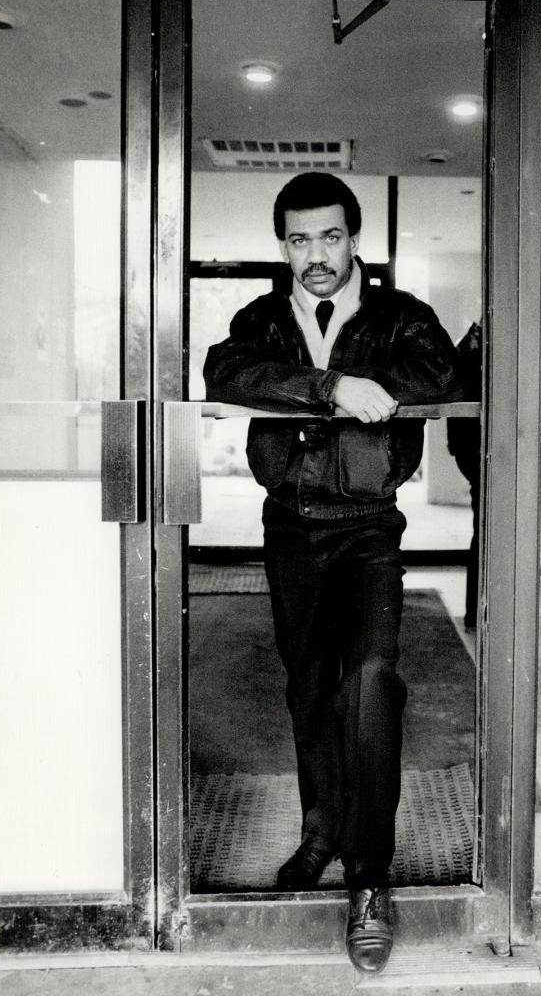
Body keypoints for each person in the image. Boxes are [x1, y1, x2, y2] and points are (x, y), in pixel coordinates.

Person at [203, 172, 463, 974]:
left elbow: (442, 376)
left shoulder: (401, 317)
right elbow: (225, 374)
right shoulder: (259, 320)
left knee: (372, 678)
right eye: (298, 240)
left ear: (356, 241)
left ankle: (371, 878)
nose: (314, 256)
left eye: (329, 238)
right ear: (283, 245)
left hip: (367, 530)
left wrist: (371, 382)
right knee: (309, 684)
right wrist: (330, 387)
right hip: (290, 530)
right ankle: (321, 831)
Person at [446, 320, 482, 631]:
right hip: (478, 452)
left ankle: (475, 614)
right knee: (484, 532)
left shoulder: (466, 346)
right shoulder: (472, 351)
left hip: (469, 451)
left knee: (482, 531)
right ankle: (476, 614)